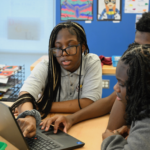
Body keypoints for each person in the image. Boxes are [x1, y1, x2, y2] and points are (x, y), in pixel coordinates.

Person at [40, 12, 150, 133]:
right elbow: (110, 106)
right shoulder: (138, 76)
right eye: (136, 45)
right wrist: (70, 119)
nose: (138, 53)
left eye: (146, 48)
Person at [11, 21, 104, 138]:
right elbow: (25, 94)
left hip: (82, 121)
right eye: (58, 48)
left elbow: (89, 103)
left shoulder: (91, 62)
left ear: (83, 47)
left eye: (70, 46)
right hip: (50, 125)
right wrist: (29, 116)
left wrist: (40, 106)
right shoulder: (46, 65)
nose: (64, 53)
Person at [102, 43, 150, 150]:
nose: (115, 88)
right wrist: (133, 131)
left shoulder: (147, 124)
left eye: (122, 84)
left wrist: (110, 140)